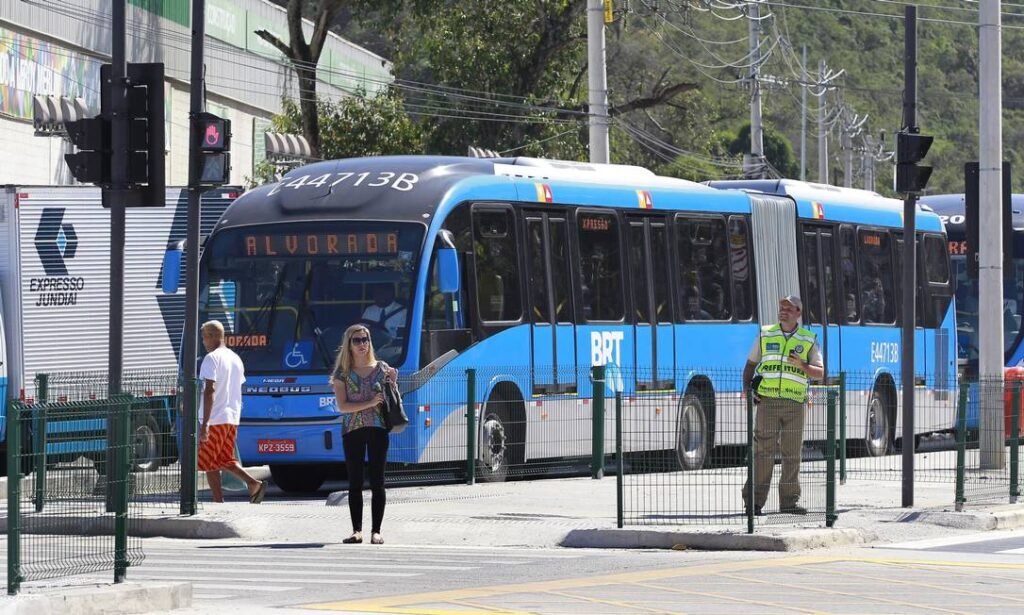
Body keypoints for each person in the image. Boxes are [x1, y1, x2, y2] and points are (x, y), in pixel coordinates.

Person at [741, 295, 824, 516]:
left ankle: (789, 503)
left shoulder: (809, 339)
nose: (783, 311)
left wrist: (802, 365)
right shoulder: (766, 334)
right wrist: (748, 389)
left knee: (792, 455)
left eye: (788, 308)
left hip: (795, 404)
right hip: (767, 402)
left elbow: (820, 373)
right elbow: (750, 365)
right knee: (763, 453)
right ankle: (753, 503)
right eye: (781, 307)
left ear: (798, 312)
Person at [330, 324, 398, 545]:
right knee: (355, 481)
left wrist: (393, 383)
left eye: (365, 339)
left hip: (378, 428)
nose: (362, 344)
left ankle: (376, 531)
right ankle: (356, 530)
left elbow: (392, 399)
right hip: (352, 430)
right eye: (357, 340)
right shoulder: (342, 373)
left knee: (378, 481)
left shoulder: (382, 368)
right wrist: (368, 403)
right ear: (348, 345)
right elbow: (342, 406)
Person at [197, 320, 266, 504]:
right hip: (231, 417)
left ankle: (218, 501)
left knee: (209, 462)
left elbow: (209, 390)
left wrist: (205, 424)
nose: (203, 342)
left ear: (212, 336)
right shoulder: (235, 358)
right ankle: (253, 484)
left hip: (215, 418)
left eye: (204, 338)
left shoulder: (211, 359)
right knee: (224, 459)